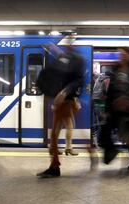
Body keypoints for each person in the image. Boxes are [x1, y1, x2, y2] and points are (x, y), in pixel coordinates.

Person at [37, 45, 84, 178]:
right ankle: (57, 161)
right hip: (64, 100)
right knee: (59, 131)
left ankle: (55, 165)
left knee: (56, 134)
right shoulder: (66, 58)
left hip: (64, 101)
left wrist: (63, 93)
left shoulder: (75, 60)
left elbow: (77, 80)